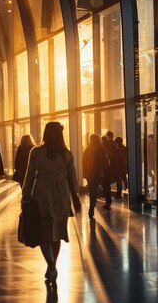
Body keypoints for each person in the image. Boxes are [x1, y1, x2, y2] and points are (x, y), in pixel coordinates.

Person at [21, 122, 81, 287]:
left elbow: (29, 176)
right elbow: (73, 178)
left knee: (44, 234)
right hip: (61, 195)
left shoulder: (36, 152)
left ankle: (51, 265)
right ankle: (52, 265)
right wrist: (75, 195)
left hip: (42, 194)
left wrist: (25, 195)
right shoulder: (67, 155)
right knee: (57, 234)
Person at [82, 134, 108, 220]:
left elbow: (84, 162)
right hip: (98, 173)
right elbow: (106, 162)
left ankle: (91, 209)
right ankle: (91, 209)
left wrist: (85, 172)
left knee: (92, 191)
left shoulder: (87, 150)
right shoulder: (102, 150)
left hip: (90, 174)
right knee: (94, 191)